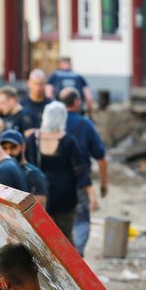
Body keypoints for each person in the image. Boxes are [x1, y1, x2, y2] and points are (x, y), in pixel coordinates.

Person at [24, 101, 90, 240]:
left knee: (42, 237)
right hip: (65, 197)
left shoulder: (32, 139)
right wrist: (91, 195)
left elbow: (26, 167)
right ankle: (70, 262)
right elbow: (80, 171)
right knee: (65, 237)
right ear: (63, 118)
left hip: (39, 195)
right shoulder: (68, 141)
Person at [60, 87, 108, 256]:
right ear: (77, 102)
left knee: (58, 219)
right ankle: (77, 253)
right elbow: (101, 157)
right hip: (80, 181)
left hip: (55, 183)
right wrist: (104, 184)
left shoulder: (52, 125)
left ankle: (63, 255)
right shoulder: (85, 125)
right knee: (81, 219)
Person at [0, 129, 48, 207]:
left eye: (13, 147)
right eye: (4, 148)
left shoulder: (34, 174)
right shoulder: (1, 171)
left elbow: (39, 210)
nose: (9, 152)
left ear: (23, 147)